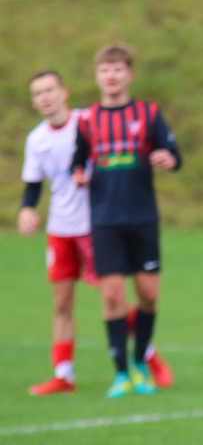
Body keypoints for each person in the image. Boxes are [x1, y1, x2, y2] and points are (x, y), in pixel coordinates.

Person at [72, 43, 181, 398]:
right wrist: (77, 174)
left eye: (118, 69)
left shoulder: (149, 114)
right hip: (104, 220)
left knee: (148, 296)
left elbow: (173, 154)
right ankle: (120, 373)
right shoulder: (87, 119)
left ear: (129, 75)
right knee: (113, 296)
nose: (112, 75)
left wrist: (168, 157)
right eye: (105, 70)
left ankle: (139, 361)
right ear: (97, 76)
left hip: (142, 217)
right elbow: (77, 159)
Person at [18, 70, 98, 395]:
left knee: (112, 296)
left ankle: (145, 353)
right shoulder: (36, 139)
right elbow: (33, 184)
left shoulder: (88, 122)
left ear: (64, 92)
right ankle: (63, 374)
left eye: (49, 89)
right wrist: (26, 209)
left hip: (94, 226)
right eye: (38, 93)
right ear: (34, 101)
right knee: (62, 303)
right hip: (60, 229)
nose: (45, 97)